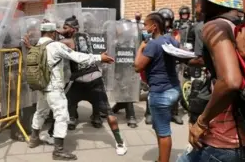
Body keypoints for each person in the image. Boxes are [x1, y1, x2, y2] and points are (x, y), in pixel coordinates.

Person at [178, 0, 245, 162]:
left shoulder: (215, 26)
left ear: (212, 1)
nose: (197, 3)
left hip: (224, 143)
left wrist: (201, 122)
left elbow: (230, 81)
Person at [27, 22, 115, 160]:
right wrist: (99, 58)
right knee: (61, 116)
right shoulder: (56, 46)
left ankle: (33, 139)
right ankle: (58, 151)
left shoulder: (37, 45)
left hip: (41, 86)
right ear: (52, 33)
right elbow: (78, 57)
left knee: (41, 112)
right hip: (54, 88)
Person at [52, 16, 128, 155]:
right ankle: (120, 143)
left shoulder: (68, 41)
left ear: (73, 29)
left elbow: (53, 45)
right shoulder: (85, 36)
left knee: (60, 106)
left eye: (65, 27)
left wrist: (53, 32)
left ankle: (53, 136)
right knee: (107, 113)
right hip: (92, 79)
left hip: (82, 81)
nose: (63, 30)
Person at [134, 12, 181, 162]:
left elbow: (137, 67)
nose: (144, 27)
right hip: (173, 88)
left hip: (160, 92)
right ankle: (161, 158)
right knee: (160, 127)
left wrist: (140, 48)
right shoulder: (171, 40)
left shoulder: (152, 44)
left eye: (146, 25)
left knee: (163, 132)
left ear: (154, 27)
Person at [158, 8, 184, 125]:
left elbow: (178, 45)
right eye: (163, 20)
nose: (166, 22)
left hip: (173, 62)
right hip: (160, 62)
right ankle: (151, 113)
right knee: (155, 87)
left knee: (175, 87)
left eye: (167, 20)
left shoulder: (175, 33)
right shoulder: (156, 32)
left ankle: (174, 113)